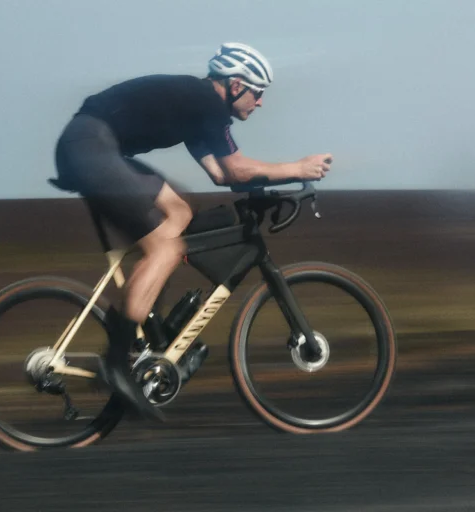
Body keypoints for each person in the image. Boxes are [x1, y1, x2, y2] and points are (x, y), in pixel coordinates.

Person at [53, 42, 332, 421]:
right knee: (164, 250)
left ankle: (155, 332)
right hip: (90, 147)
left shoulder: (199, 109)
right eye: (258, 92)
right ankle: (116, 365)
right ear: (236, 86)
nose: (261, 102)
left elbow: (221, 175)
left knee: (179, 212)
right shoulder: (204, 103)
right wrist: (297, 169)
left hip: (94, 147)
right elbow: (236, 170)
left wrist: (264, 195)